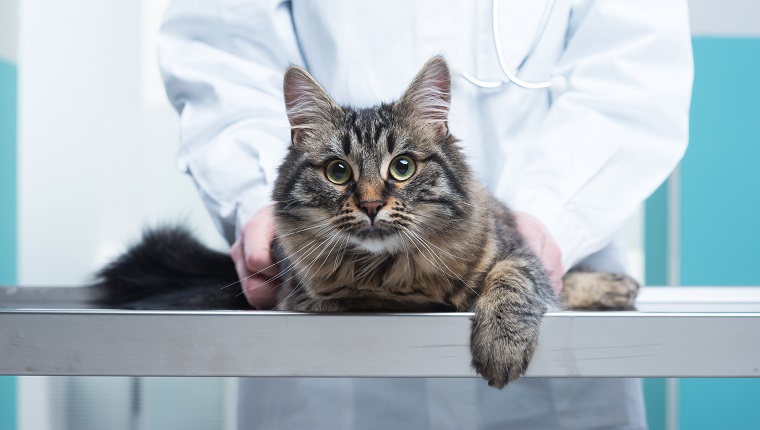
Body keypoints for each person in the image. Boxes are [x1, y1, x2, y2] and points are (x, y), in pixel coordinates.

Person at [158, 0, 693, 428]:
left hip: (548, 286)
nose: (371, 199)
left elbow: (636, 70)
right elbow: (220, 46)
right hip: (329, 372)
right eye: (352, 179)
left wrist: (552, 217)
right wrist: (256, 195)